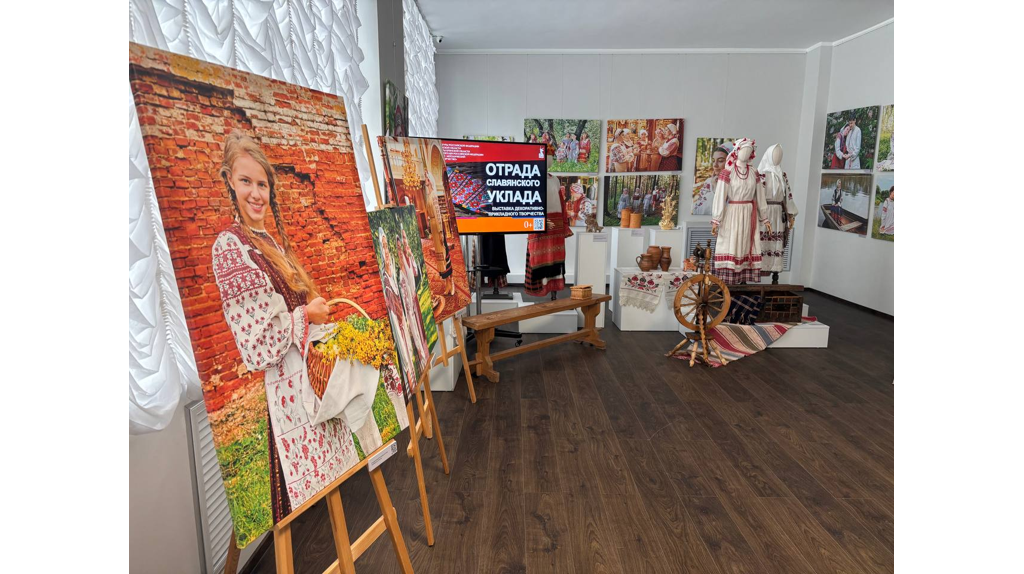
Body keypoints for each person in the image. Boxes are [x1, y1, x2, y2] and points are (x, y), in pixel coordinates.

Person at [212, 131, 349, 520]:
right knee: (289, 513)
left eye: (262, 184)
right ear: (229, 181)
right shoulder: (230, 248)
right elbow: (257, 345)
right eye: (246, 182)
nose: (256, 194)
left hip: (306, 380)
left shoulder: (264, 239)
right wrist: (306, 315)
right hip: (287, 392)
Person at [693, 141, 732, 215]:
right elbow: (696, 211)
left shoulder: (740, 186)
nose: (715, 165)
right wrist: (714, 188)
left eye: (720, 161)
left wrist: (718, 191)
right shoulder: (709, 183)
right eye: (714, 161)